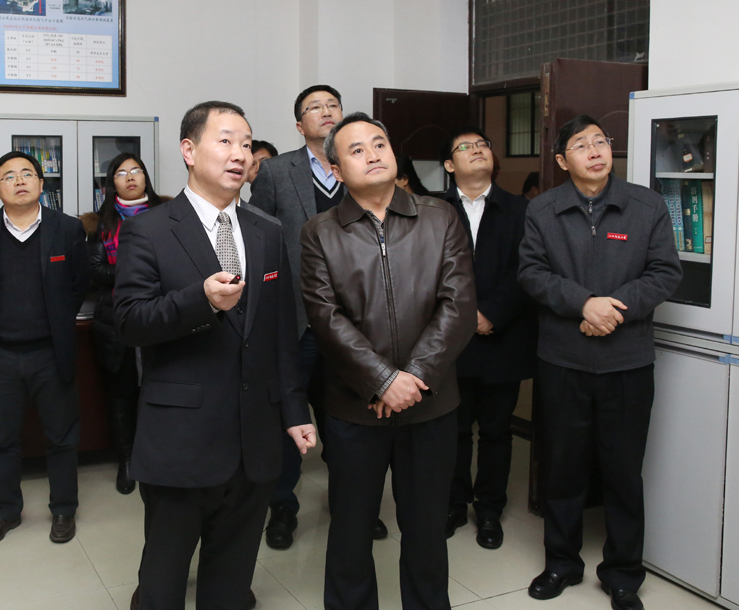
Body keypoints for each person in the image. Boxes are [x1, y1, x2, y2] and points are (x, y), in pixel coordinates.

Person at [114, 101, 315, 610]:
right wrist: (199, 301)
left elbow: (280, 332)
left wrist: (294, 411)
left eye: (246, 144)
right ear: (189, 150)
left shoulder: (267, 231)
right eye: (225, 141)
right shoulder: (150, 229)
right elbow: (131, 322)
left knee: (231, 582)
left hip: (255, 438)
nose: (240, 154)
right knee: (162, 584)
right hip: (180, 440)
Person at [301, 112, 477, 610]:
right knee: (351, 528)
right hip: (355, 409)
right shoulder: (319, 232)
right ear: (336, 169)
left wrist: (413, 377)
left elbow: (459, 304)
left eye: (379, 143)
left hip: (430, 404)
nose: (373, 154)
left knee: (426, 528)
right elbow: (325, 317)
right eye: (356, 150)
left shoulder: (440, 217)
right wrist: (381, 380)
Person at [519, 115, 682, 610]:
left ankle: (623, 574)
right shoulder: (543, 209)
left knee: (623, 472)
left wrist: (611, 311)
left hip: (627, 363)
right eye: (581, 144)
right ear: (562, 160)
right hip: (563, 361)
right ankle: (561, 563)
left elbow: (665, 272)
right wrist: (583, 304)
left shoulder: (646, 205)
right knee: (562, 468)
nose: (595, 150)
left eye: (601, 141)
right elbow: (531, 272)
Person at [250, 84, 387, 548]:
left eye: (333, 105)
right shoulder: (275, 171)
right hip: (295, 321)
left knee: (349, 423)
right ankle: (282, 508)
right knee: (287, 420)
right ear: (299, 124)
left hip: (355, 323)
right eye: (314, 107)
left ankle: (355, 506)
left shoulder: (361, 168)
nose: (326, 111)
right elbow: (258, 237)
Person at [0, 150, 90, 548]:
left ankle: (64, 509)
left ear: (41, 183)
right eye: (9, 176)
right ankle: (4, 512)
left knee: (62, 436)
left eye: (27, 174)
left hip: (51, 352)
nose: (19, 181)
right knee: (2, 439)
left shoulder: (67, 229)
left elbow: (78, 284)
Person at [439, 127, 537, 549]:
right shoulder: (434, 209)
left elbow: (528, 269)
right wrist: (464, 318)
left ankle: (490, 510)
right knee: (454, 430)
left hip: (503, 337)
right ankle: (453, 504)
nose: (477, 150)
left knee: (497, 431)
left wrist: (492, 313)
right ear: (449, 164)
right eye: (465, 147)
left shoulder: (521, 209)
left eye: (483, 145)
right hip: (450, 341)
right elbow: (426, 272)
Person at [80, 153, 167, 494]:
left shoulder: (168, 212)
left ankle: (158, 458)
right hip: (116, 321)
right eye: (121, 173)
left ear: (145, 177)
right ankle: (127, 461)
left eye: (136, 170)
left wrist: (136, 270)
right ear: (111, 183)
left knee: (162, 388)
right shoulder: (99, 223)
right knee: (122, 393)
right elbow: (94, 272)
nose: (130, 177)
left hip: (163, 316)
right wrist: (142, 270)